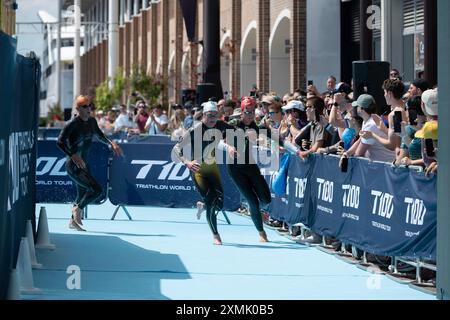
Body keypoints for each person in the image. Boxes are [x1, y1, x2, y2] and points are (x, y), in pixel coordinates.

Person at [172, 101, 236, 245]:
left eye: (215, 115)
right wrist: (187, 162)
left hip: (213, 170)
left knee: (219, 204)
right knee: (213, 200)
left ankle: (204, 204)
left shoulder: (220, 125)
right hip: (198, 171)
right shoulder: (195, 130)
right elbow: (176, 148)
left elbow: (238, 133)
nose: (212, 118)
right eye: (209, 115)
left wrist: (231, 146)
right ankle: (216, 235)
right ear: (203, 116)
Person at [57, 95, 123, 231]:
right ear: (78, 109)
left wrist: (112, 143)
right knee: (96, 190)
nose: (89, 109)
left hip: (84, 165)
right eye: (85, 106)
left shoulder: (92, 122)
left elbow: (100, 135)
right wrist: (73, 155)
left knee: (81, 194)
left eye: (90, 106)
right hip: (74, 165)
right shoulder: (72, 124)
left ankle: (72, 222)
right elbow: (60, 141)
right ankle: (77, 210)